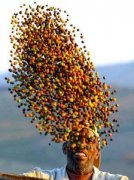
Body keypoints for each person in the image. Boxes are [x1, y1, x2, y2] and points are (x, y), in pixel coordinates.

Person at [23, 128, 129, 180]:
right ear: (65, 148)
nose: (81, 145)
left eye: (88, 140)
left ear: (97, 152)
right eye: (75, 139)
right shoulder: (41, 177)